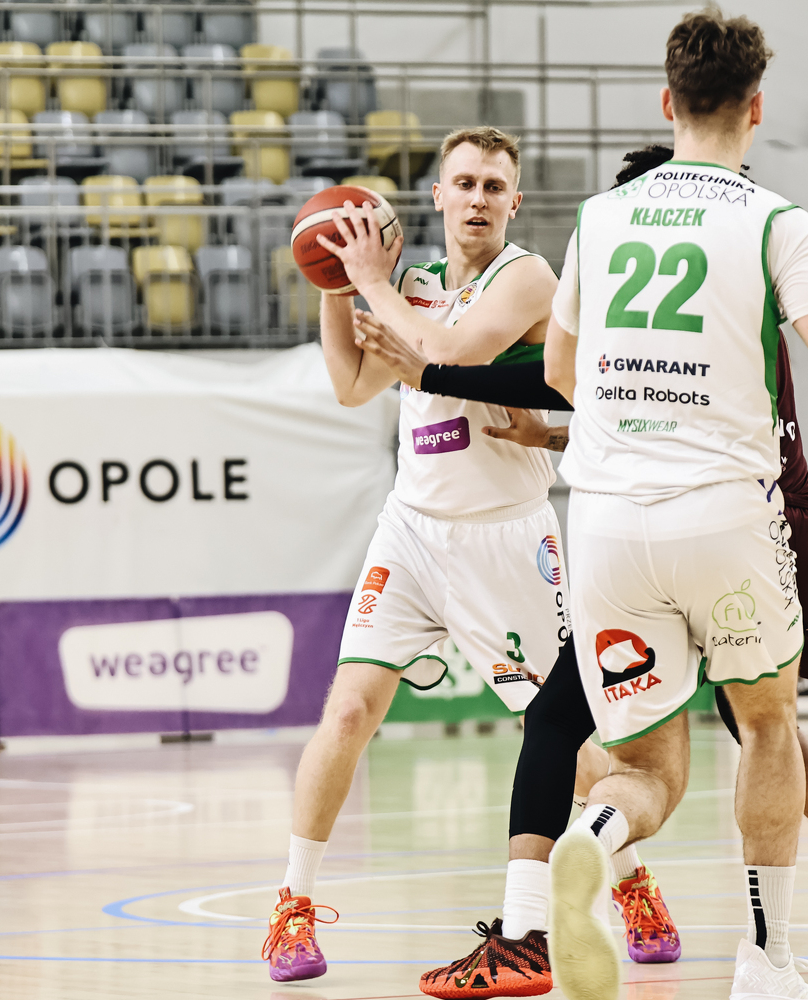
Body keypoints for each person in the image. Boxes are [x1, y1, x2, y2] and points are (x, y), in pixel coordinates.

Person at [356, 141, 808, 970]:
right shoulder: (729, 277)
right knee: (755, 722)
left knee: (608, 726)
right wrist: (549, 435)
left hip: (723, 527)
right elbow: (640, 411)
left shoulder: (639, 267)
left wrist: (439, 370)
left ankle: (542, 926)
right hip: (752, 522)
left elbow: (567, 377)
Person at [541, 10, 808, 1000]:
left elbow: (559, 370)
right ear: (756, 108)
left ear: (666, 102)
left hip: (605, 523)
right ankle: (764, 962)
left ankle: (595, 836)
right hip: (721, 517)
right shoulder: (776, 221)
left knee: (646, 767)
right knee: (767, 723)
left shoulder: (598, 218)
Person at [262, 126, 609, 983]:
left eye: (494, 185)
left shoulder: (527, 277)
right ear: (438, 197)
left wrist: (372, 283)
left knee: (558, 735)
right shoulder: (410, 287)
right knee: (349, 712)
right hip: (412, 530)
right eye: (465, 183)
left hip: (507, 537)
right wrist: (337, 285)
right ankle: (293, 905)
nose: (479, 198)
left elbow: (453, 354)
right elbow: (351, 386)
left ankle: (631, 882)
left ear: (514, 201)